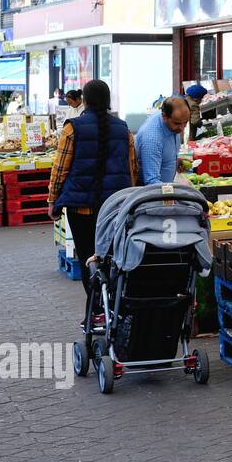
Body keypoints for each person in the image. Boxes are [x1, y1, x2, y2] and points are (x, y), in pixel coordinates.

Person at [47, 80, 137, 300]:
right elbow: (132, 168)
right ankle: (113, 308)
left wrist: (53, 200)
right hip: (115, 208)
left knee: (88, 256)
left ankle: (95, 307)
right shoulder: (123, 128)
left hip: (82, 208)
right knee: (113, 256)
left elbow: (60, 168)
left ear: (84, 101)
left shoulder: (72, 127)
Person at [135, 96, 190, 186]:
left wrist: (174, 161)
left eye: (185, 122)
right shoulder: (152, 138)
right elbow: (152, 182)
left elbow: (161, 154)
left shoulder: (172, 124)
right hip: (153, 195)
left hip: (164, 189)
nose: (182, 128)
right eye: (177, 123)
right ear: (164, 116)